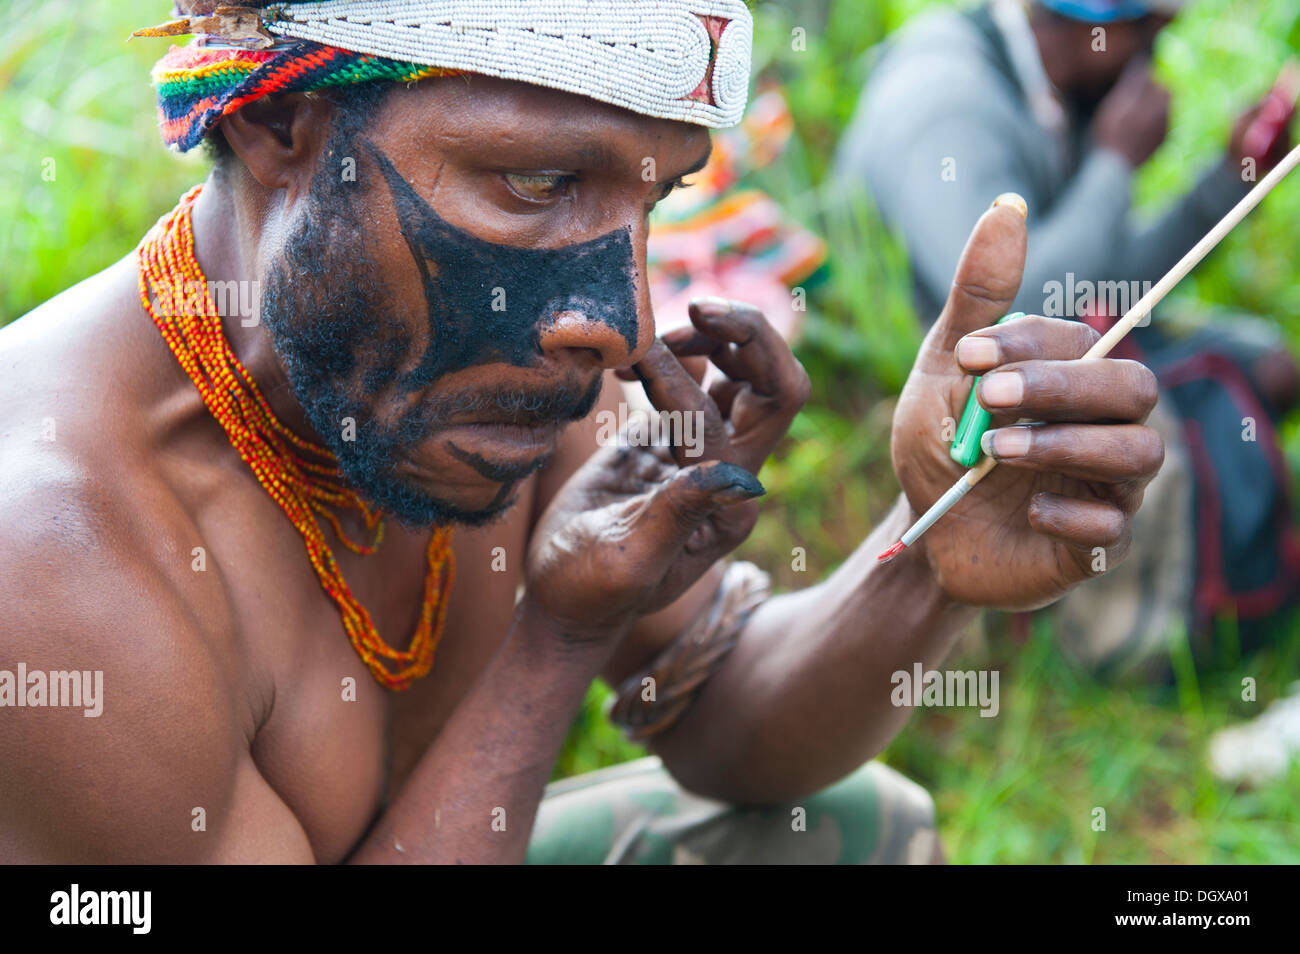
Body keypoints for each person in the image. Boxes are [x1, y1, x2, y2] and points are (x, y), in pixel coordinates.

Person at [0, 0, 1163, 864]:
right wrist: (556, 638)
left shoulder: (473, 370)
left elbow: (727, 725)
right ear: (283, 124)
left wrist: (928, 549)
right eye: (537, 181)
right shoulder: (54, 563)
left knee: (851, 836)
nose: (620, 324)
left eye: (651, 201)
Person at [835, 0, 1300, 674]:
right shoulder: (950, 104)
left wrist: (1228, 182)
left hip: (1053, 345)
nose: (1152, 58)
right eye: (1143, 33)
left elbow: (1095, 291)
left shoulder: (1058, 86)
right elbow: (1017, 305)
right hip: (970, 388)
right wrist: (1114, 163)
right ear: (1082, 21)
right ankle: (1151, 617)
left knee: (1270, 365)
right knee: (1157, 434)